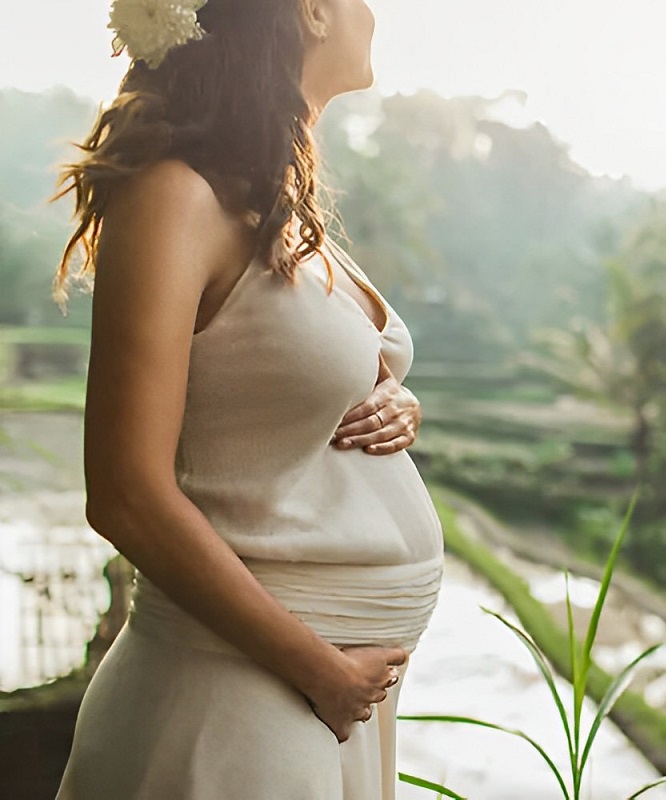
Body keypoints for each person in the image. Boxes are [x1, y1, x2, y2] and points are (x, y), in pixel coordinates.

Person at [52, 1, 444, 797]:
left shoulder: (270, 202)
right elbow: (125, 493)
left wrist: (396, 401)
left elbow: (274, 380)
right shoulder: (175, 196)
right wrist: (320, 671)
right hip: (243, 693)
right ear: (312, 12)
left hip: (313, 699)